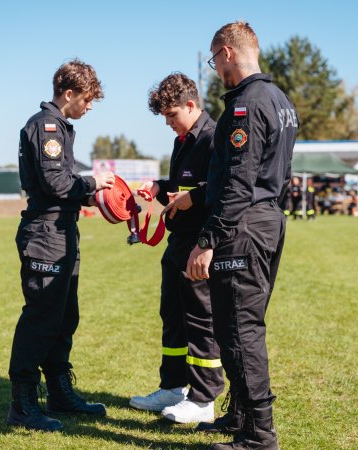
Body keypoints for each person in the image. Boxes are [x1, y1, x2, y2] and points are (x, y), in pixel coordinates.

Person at [186, 22, 299, 449]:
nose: (215, 69)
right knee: (237, 325)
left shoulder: (246, 105)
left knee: (240, 330)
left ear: (228, 52)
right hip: (266, 220)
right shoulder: (280, 99)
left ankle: (259, 435)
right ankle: (239, 416)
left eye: (215, 59)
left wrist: (207, 240)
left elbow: (238, 182)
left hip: (243, 226)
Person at [7, 59, 115, 432]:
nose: (88, 107)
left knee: (65, 316)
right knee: (41, 317)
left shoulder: (62, 127)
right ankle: (22, 404)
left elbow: (62, 187)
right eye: (86, 100)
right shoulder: (47, 126)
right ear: (68, 93)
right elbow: (55, 184)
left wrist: (95, 198)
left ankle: (58, 392)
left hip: (62, 231)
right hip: (45, 234)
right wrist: (91, 184)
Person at [129, 73, 224, 423]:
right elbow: (184, 184)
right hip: (177, 242)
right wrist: (158, 186)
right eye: (165, 117)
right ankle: (172, 388)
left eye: (172, 115)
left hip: (201, 243)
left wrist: (193, 199)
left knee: (201, 321)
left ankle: (204, 398)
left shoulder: (215, 137)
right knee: (172, 317)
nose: (168, 123)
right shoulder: (183, 139)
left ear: (191, 104)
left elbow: (224, 188)